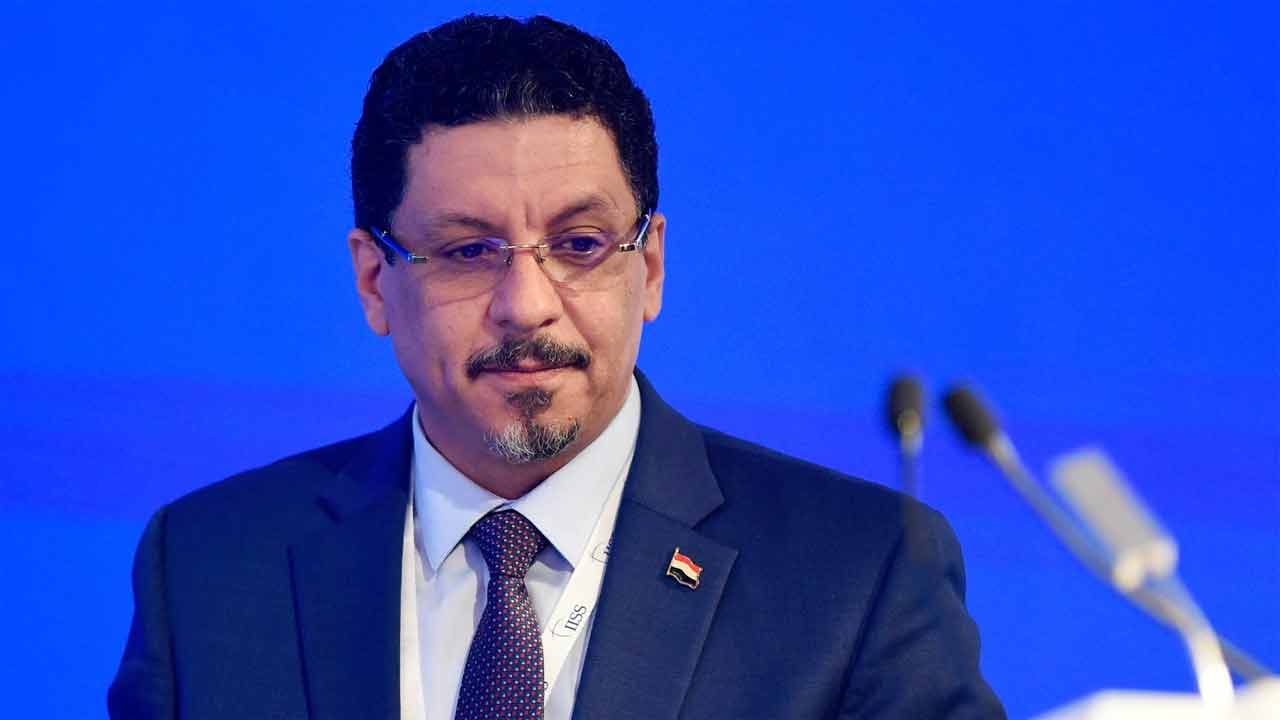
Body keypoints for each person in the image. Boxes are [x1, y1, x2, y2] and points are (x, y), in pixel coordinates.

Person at [109, 14, 1004, 719]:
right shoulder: (211, 570)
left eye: (579, 244)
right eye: (468, 251)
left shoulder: (855, 573)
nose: (526, 303)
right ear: (375, 281)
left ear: (650, 267)